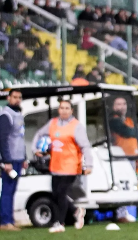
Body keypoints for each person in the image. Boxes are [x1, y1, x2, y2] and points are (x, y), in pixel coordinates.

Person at [32, 100, 94, 233]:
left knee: (61, 192)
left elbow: (85, 146)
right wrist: (35, 149)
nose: (64, 110)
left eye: (67, 108)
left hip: (71, 166)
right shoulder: (52, 123)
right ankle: (76, 211)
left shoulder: (76, 126)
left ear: (72, 111)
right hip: (56, 165)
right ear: (58, 110)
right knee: (55, 195)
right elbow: (39, 134)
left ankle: (59, 223)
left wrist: (89, 164)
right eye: (62, 108)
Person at [0, 89, 26, 231]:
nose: (17, 99)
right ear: (8, 98)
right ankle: (5, 221)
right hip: (10, 159)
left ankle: (9, 218)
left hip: (18, 157)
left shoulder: (18, 114)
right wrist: (6, 160)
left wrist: (24, 157)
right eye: (14, 97)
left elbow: (19, 138)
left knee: (12, 190)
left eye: (19, 97)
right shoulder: (6, 115)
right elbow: (3, 139)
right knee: (7, 190)